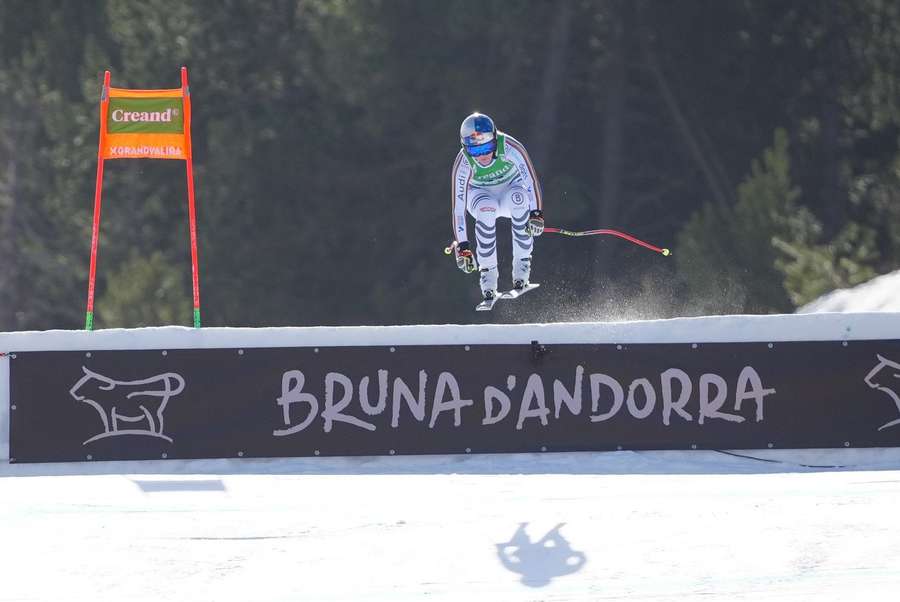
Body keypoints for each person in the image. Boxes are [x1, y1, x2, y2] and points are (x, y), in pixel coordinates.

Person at [450, 112, 544, 302]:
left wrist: (536, 214)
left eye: (487, 148)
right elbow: (458, 209)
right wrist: (463, 247)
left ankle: (522, 269)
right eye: (475, 151)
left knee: (518, 199)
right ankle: (488, 279)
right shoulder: (463, 163)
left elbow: (531, 181)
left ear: (495, 139)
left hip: (512, 188)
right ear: (465, 148)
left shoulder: (510, 147)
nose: (483, 156)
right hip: (480, 194)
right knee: (486, 208)